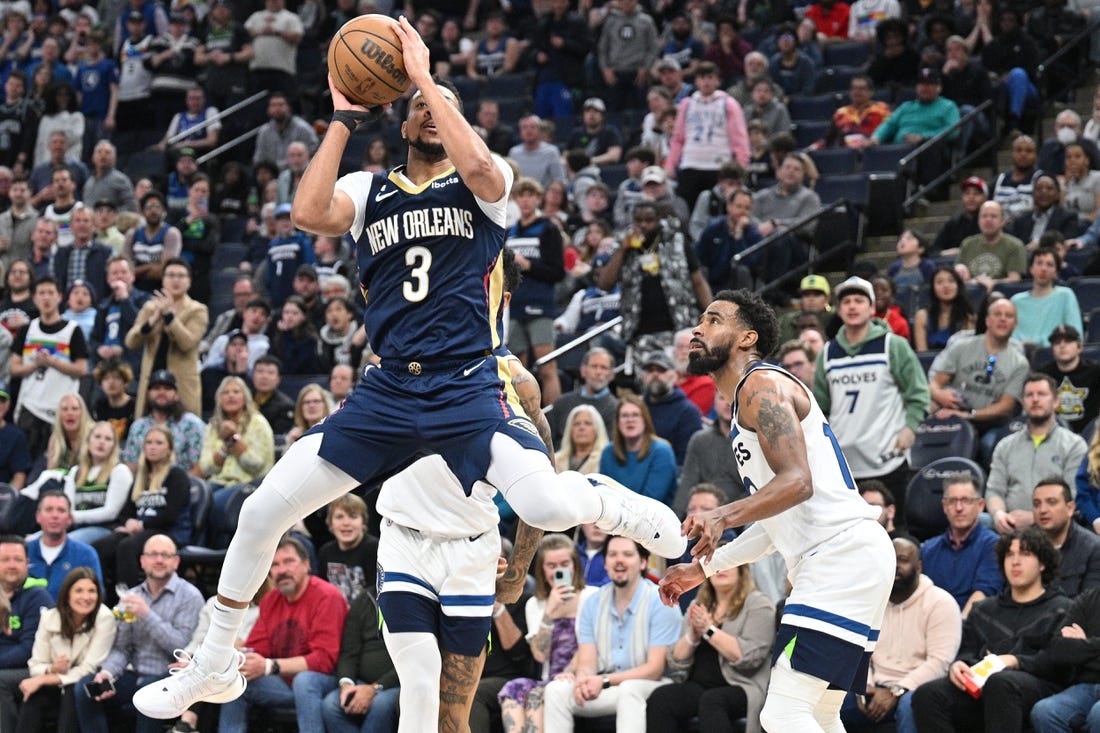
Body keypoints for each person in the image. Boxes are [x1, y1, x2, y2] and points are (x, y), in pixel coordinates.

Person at [133, 21, 686, 724]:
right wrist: (340, 118)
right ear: (398, 116)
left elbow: (485, 169)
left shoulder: (485, 186)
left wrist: (427, 78)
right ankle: (213, 662)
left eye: (440, 102)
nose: (429, 109)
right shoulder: (369, 191)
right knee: (262, 507)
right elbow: (308, 211)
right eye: (419, 104)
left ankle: (611, 504)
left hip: (467, 382)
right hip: (389, 388)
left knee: (545, 506)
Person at [658, 288, 895, 733]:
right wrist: (703, 568)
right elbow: (776, 521)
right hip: (850, 555)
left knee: (782, 713)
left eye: (713, 320)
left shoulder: (761, 386)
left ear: (747, 338)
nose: (697, 328)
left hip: (840, 556)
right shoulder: (745, 402)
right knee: (819, 714)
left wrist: (722, 515)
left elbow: (797, 482)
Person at [910, 528, 1071, 733]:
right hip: (983, 686)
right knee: (927, 694)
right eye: (1010, 554)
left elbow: (1060, 662)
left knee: (1001, 682)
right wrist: (960, 665)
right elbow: (967, 653)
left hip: (1039, 686)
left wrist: (1016, 661)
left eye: (1025, 553)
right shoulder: (984, 609)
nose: (1015, 561)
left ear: (1042, 563)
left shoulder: (1061, 608)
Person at [813, 276, 930, 528]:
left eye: (859, 301)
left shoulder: (893, 346)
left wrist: (909, 429)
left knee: (892, 534)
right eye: (846, 302)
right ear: (839, 308)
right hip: (844, 465)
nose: (852, 307)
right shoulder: (827, 353)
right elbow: (819, 410)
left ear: (871, 307)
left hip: (887, 458)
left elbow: (918, 393)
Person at [542, 535, 682, 730]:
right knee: (555, 690)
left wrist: (604, 680)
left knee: (629, 690)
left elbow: (654, 669)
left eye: (627, 554)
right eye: (612, 555)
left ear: (643, 563)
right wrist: (583, 679)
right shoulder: (592, 603)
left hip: (655, 685)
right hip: (608, 684)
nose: (619, 560)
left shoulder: (660, 602)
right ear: (605, 563)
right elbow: (587, 662)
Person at [216, 534, 347, 733]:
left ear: (307, 564)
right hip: (283, 682)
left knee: (305, 681)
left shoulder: (327, 596)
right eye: (275, 565)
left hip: (326, 683)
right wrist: (224, 660)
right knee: (237, 679)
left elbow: (324, 660)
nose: (282, 570)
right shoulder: (271, 599)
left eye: (289, 562)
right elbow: (258, 648)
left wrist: (270, 666)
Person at [73, 534, 203, 733]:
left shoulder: (190, 596)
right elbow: (121, 648)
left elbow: (181, 648)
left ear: (176, 562)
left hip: (172, 678)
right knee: (87, 687)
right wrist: (106, 673)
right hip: (134, 675)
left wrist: (147, 614)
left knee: (148, 694)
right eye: (153, 554)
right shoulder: (130, 596)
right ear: (142, 561)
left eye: (165, 555)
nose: (159, 560)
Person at [840, 535, 961, 733]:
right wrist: (865, 685)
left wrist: (897, 691)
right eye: (891, 559)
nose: (895, 566)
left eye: (903, 560)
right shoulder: (872, 600)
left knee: (911, 705)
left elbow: (940, 663)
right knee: (829, 699)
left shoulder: (941, 603)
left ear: (919, 567)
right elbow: (859, 650)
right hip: (873, 686)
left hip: (917, 688)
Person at [647, 562, 775, 733]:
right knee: (662, 697)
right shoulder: (699, 604)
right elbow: (675, 660)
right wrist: (692, 635)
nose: (721, 569)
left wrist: (709, 630)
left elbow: (748, 657)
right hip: (700, 685)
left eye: (729, 563)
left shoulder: (758, 604)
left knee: (713, 700)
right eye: (716, 565)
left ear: (741, 571)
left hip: (742, 686)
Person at [498, 534, 595, 733]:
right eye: (551, 565)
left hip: (583, 673)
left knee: (536, 696)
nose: (558, 570)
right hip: (550, 677)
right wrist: (549, 613)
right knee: (513, 691)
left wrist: (571, 670)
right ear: (542, 570)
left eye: (564, 563)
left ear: (575, 565)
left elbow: (598, 642)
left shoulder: (592, 596)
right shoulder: (536, 604)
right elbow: (540, 655)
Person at [14, 567, 116, 733]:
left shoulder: (104, 618)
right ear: (67, 594)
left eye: (92, 591)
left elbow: (88, 669)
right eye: (79, 591)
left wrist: (44, 679)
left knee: (72, 690)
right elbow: (35, 665)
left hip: (93, 683)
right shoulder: (49, 617)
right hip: (58, 683)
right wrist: (51, 669)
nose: (86, 597)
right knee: (34, 696)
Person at [93, 426, 192, 591]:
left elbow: (171, 514)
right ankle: (107, 597)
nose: (153, 447)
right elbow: (126, 512)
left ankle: (131, 599)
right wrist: (129, 523)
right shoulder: (140, 478)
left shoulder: (177, 476)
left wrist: (142, 525)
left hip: (169, 532)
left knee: (127, 546)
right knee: (101, 546)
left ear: (169, 449)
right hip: (141, 530)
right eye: (149, 442)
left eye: (159, 443)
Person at [987, 374, 1087, 534]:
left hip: (1056, 527)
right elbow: (994, 490)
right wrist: (999, 515)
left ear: (1055, 401)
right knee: (977, 521)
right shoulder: (1005, 445)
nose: (1035, 400)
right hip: (1010, 526)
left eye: (1041, 394)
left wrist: (1034, 517)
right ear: (1023, 403)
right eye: (1029, 395)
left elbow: (1074, 496)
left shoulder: (1074, 444)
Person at [8, 277, 89, 456]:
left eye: (51, 293)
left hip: (60, 410)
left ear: (59, 297)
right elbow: (13, 369)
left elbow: (82, 369)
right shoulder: (27, 330)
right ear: (35, 298)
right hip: (29, 407)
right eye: (41, 293)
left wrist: (53, 362)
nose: (46, 298)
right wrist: (35, 364)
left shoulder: (73, 330)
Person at [928, 297, 1028, 440]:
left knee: (990, 444)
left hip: (991, 424)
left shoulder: (1020, 363)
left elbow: (1005, 407)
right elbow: (935, 384)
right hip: (953, 415)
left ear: (1015, 324)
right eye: (997, 314)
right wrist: (939, 395)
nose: (1003, 319)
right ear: (987, 320)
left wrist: (970, 415)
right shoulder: (961, 346)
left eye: (1009, 316)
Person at [125, 258, 208, 417]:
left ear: (189, 282)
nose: (175, 280)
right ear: (163, 280)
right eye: (170, 275)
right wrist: (152, 320)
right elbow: (131, 342)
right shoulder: (150, 307)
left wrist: (170, 316)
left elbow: (187, 343)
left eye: (181, 276)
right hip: (151, 383)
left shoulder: (198, 310)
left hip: (181, 387)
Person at [320, 584, 399, 733]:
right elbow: (348, 652)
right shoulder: (364, 599)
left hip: (400, 684)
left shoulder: (414, 598)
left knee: (381, 705)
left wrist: (375, 688)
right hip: (362, 682)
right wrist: (346, 685)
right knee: (331, 705)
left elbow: (414, 662)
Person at [920, 473, 1003, 615]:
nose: (959, 508)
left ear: (980, 505)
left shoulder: (993, 545)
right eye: (952, 501)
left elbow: (984, 594)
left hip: (973, 628)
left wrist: (957, 629)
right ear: (944, 506)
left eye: (966, 501)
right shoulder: (928, 549)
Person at [57, 420, 132, 543]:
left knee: (67, 543)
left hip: (106, 528)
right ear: (88, 441)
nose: (101, 442)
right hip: (74, 527)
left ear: (114, 446)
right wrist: (67, 516)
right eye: (97, 437)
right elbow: (67, 506)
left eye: (108, 439)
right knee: (33, 540)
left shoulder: (120, 471)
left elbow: (111, 512)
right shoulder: (75, 472)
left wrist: (72, 516)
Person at [673, 392, 746, 518]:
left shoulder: (753, 442)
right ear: (714, 403)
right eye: (722, 398)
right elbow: (688, 482)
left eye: (734, 399)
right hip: (703, 510)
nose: (728, 403)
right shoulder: (700, 440)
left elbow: (755, 489)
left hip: (742, 513)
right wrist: (674, 520)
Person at [121, 370, 205, 475]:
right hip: (143, 486)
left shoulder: (192, 424)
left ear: (177, 394)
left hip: (183, 486)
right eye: (156, 388)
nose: (161, 392)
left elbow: (200, 469)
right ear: (148, 393)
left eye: (167, 388)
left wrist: (173, 485)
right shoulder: (138, 427)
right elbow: (131, 467)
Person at [600, 396, 678, 506]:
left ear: (645, 420)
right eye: (624, 416)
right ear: (617, 422)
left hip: (653, 519)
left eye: (635, 415)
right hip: (614, 519)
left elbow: (651, 501)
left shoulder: (662, 451)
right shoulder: (608, 452)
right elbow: (603, 495)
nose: (630, 420)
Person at [25, 491, 104, 600]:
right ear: (38, 516)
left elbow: (97, 595)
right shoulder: (23, 552)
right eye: (49, 510)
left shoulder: (85, 554)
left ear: (70, 518)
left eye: (61, 510)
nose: (55, 515)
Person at [639, 350, 702, 467]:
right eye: (650, 370)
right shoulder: (636, 408)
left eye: (661, 370)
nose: (655, 374)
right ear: (643, 377)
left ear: (674, 376)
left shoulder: (688, 412)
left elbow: (686, 462)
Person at [1010, 248, 1082, 347]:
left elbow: (1076, 336)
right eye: (1039, 263)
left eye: (1049, 265)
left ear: (1056, 272)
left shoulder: (1065, 295)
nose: (1043, 269)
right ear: (1031, 269)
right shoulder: (1016, 301)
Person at [546, 347, 618, 446]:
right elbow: (549, 441)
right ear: (583, 371)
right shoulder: (562, 403)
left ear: (611, 375)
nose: (598, 372)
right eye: (594, 366)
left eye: (604, 368)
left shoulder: (617, 409)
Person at [316, 493, 378, 605]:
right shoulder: (325, 552)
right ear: (330, 523)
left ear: (363, 522)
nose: (346, 523)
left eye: (353, 516)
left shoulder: (374, 548)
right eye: (339, 517)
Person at [1038, 324, 1100, 434]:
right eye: (1057, 343)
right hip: (1053, 435)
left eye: (1068, 341)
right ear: (1052, 349)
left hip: (1089, 434)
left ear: (1079, 347)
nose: (1062, 346)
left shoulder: (1095, 372)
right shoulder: (1043, 375)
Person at [913, 265, 975, 352]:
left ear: (958, 286)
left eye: (951, 281)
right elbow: (922, 354)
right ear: (933, 288)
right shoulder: (922, 316)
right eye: (939, 282)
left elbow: (968, 354)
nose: (946, 286)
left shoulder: (968, 317)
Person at [554, 404, 609, 475]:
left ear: (597, 429)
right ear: (570, 430)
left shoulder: (605, 460)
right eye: (577, 424)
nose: (581, 428)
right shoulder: (555, 461)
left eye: (587, 423)